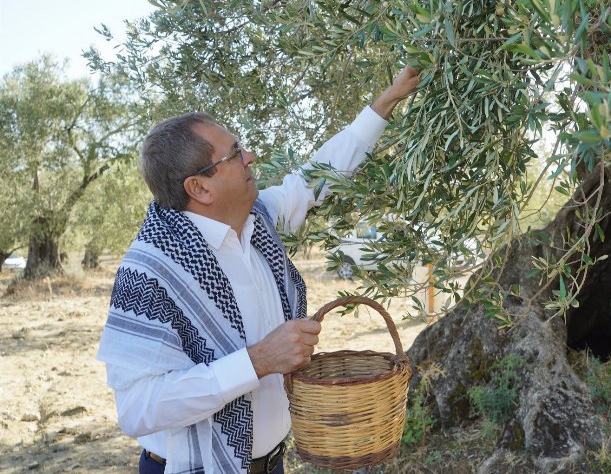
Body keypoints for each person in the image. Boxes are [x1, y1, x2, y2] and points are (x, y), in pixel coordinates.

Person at [97, 66, 420, 474]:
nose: (250, 157)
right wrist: (257, 361)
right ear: (200, 188)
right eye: (234, 154)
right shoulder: (151, 272)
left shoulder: (257, 221)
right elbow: (137, 408)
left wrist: (387, 100)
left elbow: (315, 178)